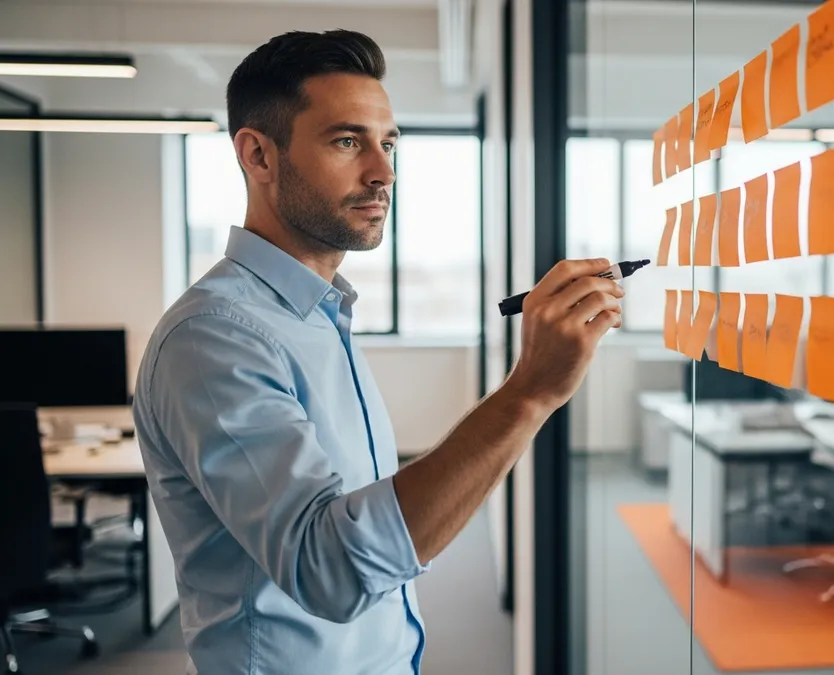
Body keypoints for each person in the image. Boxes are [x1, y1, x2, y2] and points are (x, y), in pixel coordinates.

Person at [131, 29, 622, 675]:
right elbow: (330, 568)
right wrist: (528, 393)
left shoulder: (317, 313)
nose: (383, 171)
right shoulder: (216, 336)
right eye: (347, 141)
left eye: (388, 143)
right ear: (258, 156)